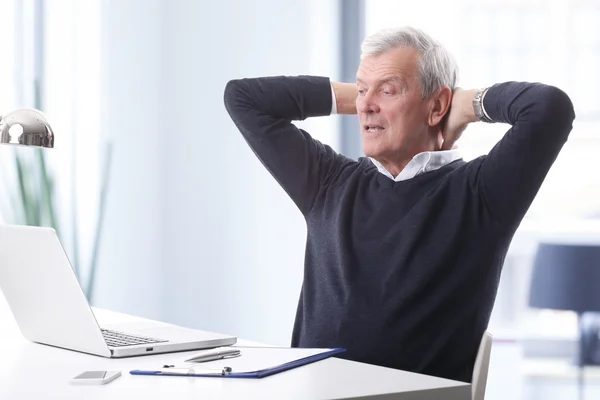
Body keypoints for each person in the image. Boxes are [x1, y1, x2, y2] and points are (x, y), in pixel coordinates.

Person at [223, 26, 575, 383]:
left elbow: (548, 108)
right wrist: (364, 97)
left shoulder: (481, 193)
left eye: (388, 90)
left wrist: (464, 105)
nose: (366, 105)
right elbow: (244, 98)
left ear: (436, 105)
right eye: (361, 90)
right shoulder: (328, 182)